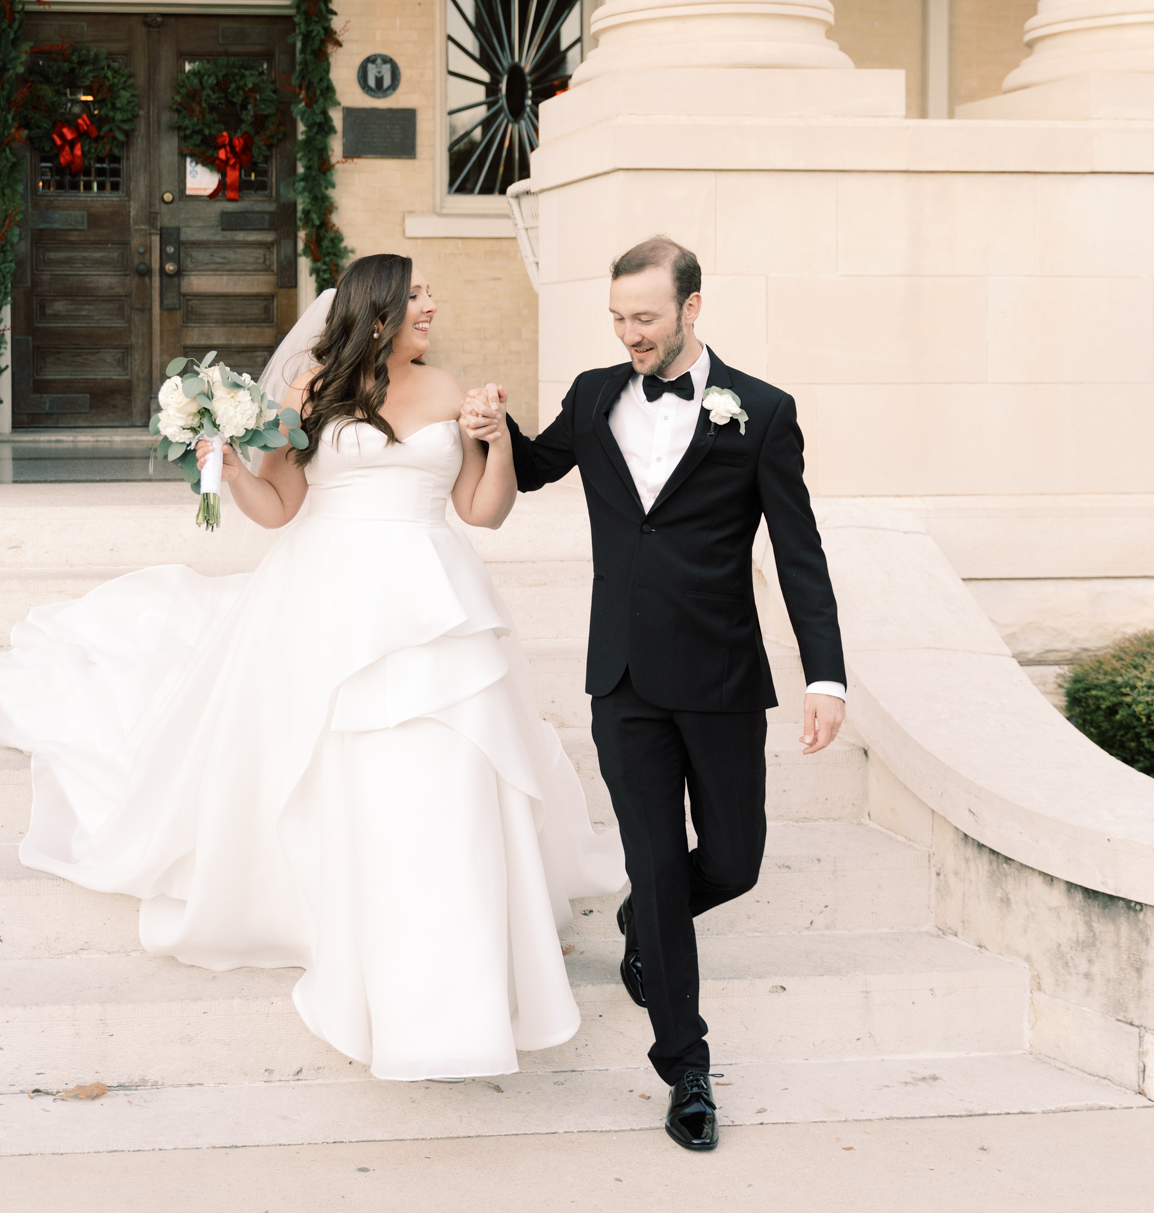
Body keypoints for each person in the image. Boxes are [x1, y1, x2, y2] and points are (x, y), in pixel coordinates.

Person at [0, 253, 624, 1081]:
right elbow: (279, 507)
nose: (432, 305)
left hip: (437, 606)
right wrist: (215, 460)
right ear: (378, 309)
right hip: (330, 602)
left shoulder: (449, 391)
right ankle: (355, 938)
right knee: (347, 777)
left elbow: (484, 510)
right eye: (419, 295)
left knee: (448, 777)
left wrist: (495, 440)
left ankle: (453, 974)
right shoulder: (307, 393)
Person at [463, 236, 846, 1151]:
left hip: (719, 677)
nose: (630, 334)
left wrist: (824, 672)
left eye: (645, 318)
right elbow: (541, 463)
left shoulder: (761, 411)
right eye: (619, 318)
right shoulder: (597, 394)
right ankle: (687, 1066)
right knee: (659, 861)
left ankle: (644, 920)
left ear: (691, 308)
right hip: (623, 679)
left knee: (735, 859)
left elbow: (799, 555)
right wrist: (488, 428)